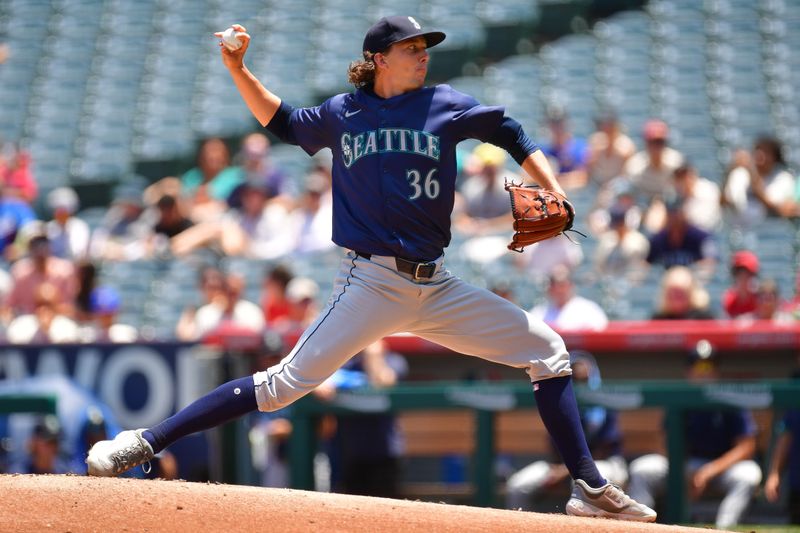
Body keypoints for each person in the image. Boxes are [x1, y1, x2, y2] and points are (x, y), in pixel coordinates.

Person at [86, 16, 655, 522]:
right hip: (370, 281)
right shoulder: (344, 111)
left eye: (425, 46)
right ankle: (143, 440)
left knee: (549, 352)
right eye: (411, 47)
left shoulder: (444, 104)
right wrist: (239, 67)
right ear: (380, 59)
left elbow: (511, 134)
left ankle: (589, 487)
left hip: (436, 284)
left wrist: (552, 187)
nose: (423, 53)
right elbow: (281, 121)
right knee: (282, 387)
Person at [627, 342, 762, 529]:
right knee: (642, 469)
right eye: (698, 366)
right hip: (684, 465)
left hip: (721, 468)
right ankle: (641, 528)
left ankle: (724, 528)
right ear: (688, 371)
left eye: (708, 366)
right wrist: (681, 471)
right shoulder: (679, 397)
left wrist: (709, 471)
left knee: (749, 475)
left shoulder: (730, 398)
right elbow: (664, 442)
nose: (704, 372)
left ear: (717, 371)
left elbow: (746, 446)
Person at [506, 352, 628, 511]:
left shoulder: (605, 404)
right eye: (574, 381)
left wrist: (566, 470)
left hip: (606, 464)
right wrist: (562, 468)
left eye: (584, 380)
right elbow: (557, 443)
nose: (579, 385)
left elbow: (604, 449)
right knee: (518, 485)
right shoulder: (560, 406)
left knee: (583, 484)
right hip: (563, 466)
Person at [529, 266, 608, 332]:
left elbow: (600, 330)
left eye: (563, 285)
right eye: (555, 285)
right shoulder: (538, 312)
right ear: (550, 288)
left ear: (571, 285)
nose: (559, 290)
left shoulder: (589, 309)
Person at [721, 250, 760, 319]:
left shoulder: (761, 298)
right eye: (739, 273)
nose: (743, 277)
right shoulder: (729, 298)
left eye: (748, 274)